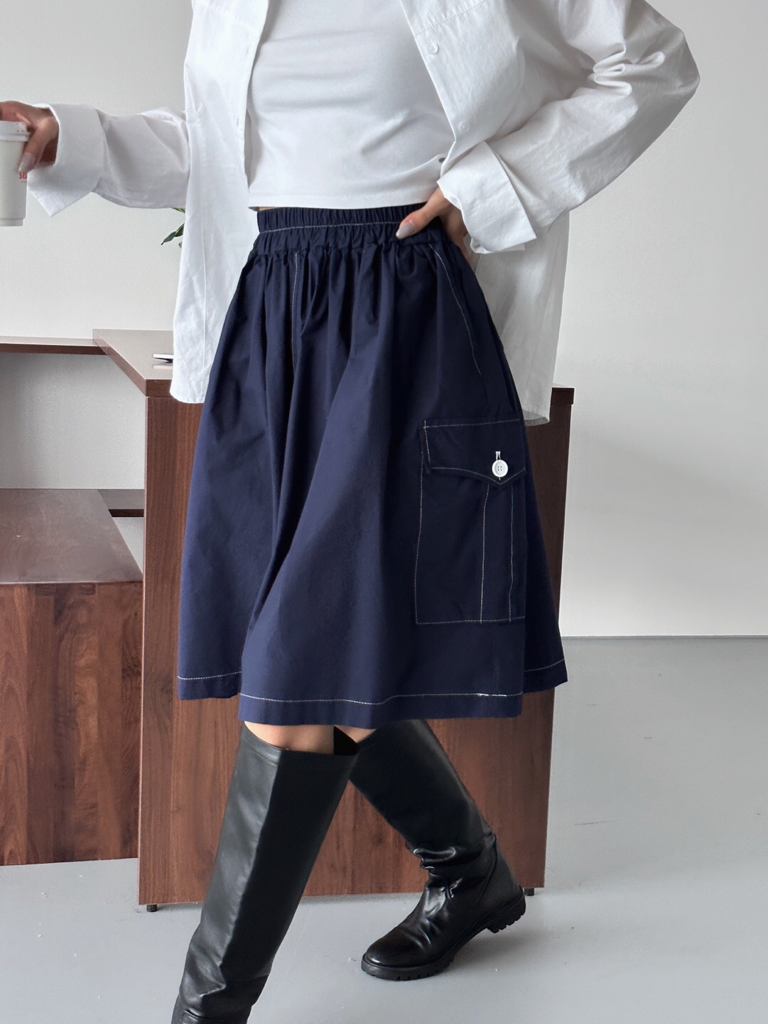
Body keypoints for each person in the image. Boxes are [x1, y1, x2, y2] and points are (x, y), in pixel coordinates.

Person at [3, 0, 699, 1020]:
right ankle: (470, 870)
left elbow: (651, 65)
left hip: (404, 314)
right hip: (275, 315)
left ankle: (206, 1008)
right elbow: (223, 145)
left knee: (296, 671)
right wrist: (77, 138)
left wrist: (490, 189)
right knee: (321, 645)